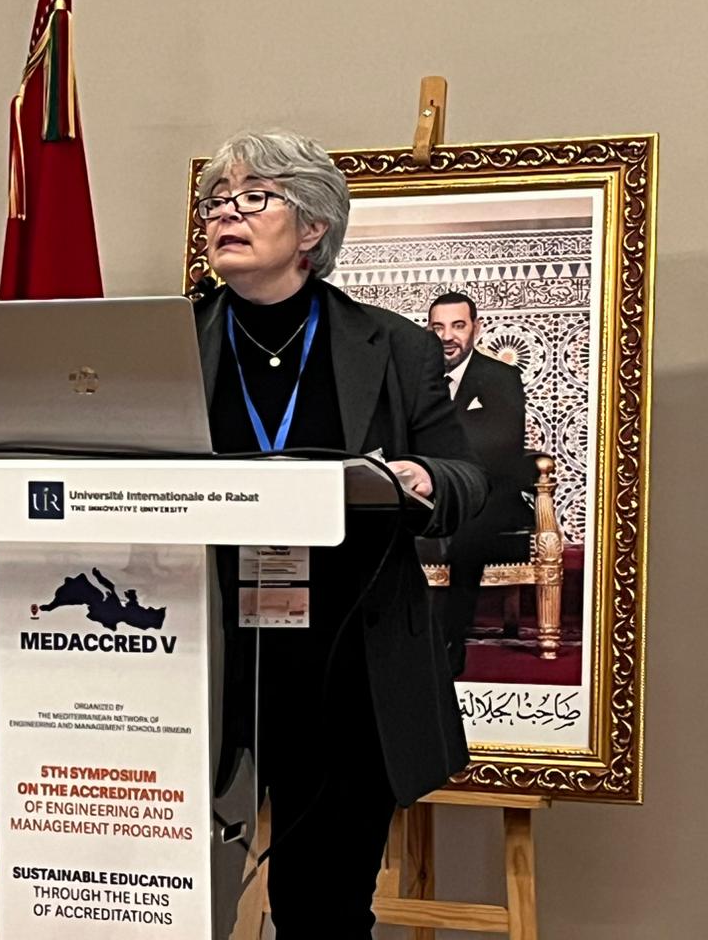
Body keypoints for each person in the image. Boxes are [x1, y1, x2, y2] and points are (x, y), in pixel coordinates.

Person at [193, 129, 486, 938]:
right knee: (169, 901)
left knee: (324, 910)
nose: (226, 213)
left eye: (255, 197)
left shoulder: (393, 346)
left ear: (313, 226)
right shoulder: (171, 341)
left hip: (347, 664)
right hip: (202, 658)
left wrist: (423, 479)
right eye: (217, 200)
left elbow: (467, 480)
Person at [427, 291, 535, 676]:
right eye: (438, 327)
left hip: (493, 492)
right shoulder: (419, 380)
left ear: (476, 327)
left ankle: (449, 642)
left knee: (467, 527)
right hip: (434, 490)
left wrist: (444, 462)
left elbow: (503, 445)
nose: (448, 336)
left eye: (458, 326)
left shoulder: (500, 377)